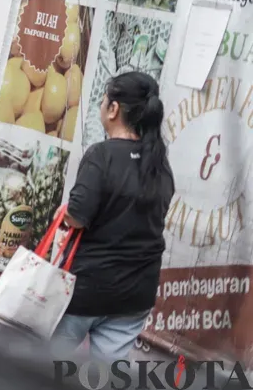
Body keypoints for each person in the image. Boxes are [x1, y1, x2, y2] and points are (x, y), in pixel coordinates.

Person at [52, 71, 175, 362]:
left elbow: (78, 217)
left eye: (103, 100)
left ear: (114, 109)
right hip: (136, 294)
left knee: (43, 370)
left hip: (88, 290)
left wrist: (65, 212)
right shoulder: (160, 164)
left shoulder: (101, 156)